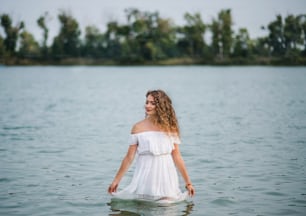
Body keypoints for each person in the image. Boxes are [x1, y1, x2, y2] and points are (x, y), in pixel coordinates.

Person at [108, 90, 195, 203]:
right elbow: (129, 158)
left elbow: (177, 156)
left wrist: (188, 183)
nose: (147, 106)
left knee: (166, 207)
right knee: (142, 207)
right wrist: (116, 180)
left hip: (166, 175)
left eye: (152, 103)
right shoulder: (138, 127)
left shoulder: (170, 128)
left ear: (161, 106)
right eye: (147, 102)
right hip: (145, 175)